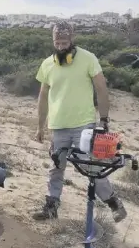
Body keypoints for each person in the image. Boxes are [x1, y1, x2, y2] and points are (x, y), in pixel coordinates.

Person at [32, 20, 127, 223]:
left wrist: (103, 119)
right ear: (53, 40)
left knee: (92, 166)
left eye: (64, 41)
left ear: (72, 39)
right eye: (57, 42)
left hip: (83, 125)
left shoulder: (88, 58)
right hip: (58, 126)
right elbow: (43, 96)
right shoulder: (47, 64)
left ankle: (113, 203)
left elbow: (101, 88)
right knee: (56, 167)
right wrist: (40, 126)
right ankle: (51, 207)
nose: (61, 45)